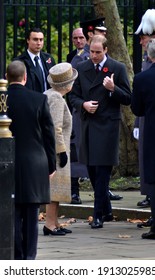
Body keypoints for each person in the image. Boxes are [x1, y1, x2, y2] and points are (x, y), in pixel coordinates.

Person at [69, 35, 131, 229]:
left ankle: (97, 215)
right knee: (92, 171)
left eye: (98, 52)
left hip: (107, 126)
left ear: (106, 50)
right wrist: (83, 105)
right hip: (88, 124)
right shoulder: (81, 68)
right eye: (92, 52)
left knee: (102, 171)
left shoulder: (117, 68)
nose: (94, 56)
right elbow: (73, 96)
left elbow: (128, 98)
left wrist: (113, 89)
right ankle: (107, 209)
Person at [6, 60, 56, 259]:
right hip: (35, 162)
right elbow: (48, 135)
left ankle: (16, 255)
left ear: (7, 77)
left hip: (8, 162)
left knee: (13, 213)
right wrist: (51, 165)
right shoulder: (38, 100)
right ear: (25, 77)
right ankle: (29, 257)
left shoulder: (3, 100)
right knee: (31, 214)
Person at [133, 9, 155, 228]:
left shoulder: (149, 67)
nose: (141, 41)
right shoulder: (147, 58)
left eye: (144, 38)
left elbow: (138, 103)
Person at [43, 62, 78, 235]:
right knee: (54, 189)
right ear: (67, 84)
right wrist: (62, 151)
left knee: (57, 190)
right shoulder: (56, 98)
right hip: (57, 151)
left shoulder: (51, 94)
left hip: (54, 149)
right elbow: (55, 127)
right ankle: (49, 224)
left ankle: (54, 222)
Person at [67, 28, 88, 204]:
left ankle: (102, 192)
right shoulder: (72, 57)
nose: (79, 41)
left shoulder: (91, 56)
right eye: (76, 38)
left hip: (93, 110)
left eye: (81, 37)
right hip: (77, 108)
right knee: (75, 150)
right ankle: (74, 190)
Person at [14, 27, 56, 93]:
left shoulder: (48, 59)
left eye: (41, 40)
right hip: (29, 101)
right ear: (28, 40)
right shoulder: (19, 61)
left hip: (47, 101)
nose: (39, 43)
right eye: (35, 39)